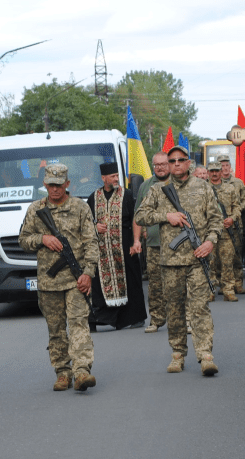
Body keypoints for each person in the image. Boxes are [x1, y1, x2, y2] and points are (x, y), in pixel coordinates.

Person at [135, 145, 222, 376]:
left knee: (199, 308)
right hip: (170, 261)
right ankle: (177, 354)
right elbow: (140, 215)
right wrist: (166, 217)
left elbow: (216, 220)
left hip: (197, 259)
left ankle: (205, 355)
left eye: (180, 160)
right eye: (171, 161)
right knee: (174, 310)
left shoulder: (203, 188)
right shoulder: (157, 190)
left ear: (188, 163)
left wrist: (210, 242)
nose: (175, 164)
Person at [18, 163, 99, 391]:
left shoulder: (81, 208)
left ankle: (82, 371)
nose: (55, 190)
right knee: (56, 331)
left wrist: (88, 274)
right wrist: (42, 239)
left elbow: (91, 243)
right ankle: (63, 372)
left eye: (59, 185)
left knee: (78, 324)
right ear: (45, 184)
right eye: (51, 185)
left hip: (76, 279)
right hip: (48, 281)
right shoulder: (36, 209)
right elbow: (23, 241)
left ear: (67, 184)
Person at [87, 162, 147, 328]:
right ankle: (103, 319)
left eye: (116, 176)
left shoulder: (126, 195)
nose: (115, 179)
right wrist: (95, 227)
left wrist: (136, 241)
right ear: (103, 178)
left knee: (132, 280)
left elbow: (136, 218)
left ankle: (134, 318)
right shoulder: (93, 197)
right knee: (99, 285)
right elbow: (84, 223)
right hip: (102, 252)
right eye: (112, 176)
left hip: (125, 246)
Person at [133, 153, 170, 333]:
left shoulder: (178, 183)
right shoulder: (145, 186)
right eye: (157, 165)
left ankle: (185, 318)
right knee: (155, 285)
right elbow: (137, 215)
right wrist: (136, 240)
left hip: (177, 244)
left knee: (179, 283)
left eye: (163, 164)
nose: (160, 168)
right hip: (154, 244)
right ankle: (156, 319)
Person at [207, 161, 240, 302]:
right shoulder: (204, 188)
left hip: (226, 232)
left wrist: (232, 218)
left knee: (227, 262)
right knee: (210, 262)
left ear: (222, 172)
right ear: (208, 173)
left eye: (217, 171)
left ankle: (228, 290)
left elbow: (237, 207)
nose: (214, 174)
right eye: (212, 171)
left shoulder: (230, 188)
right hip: (209, 233)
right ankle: (210, 290)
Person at [219, 155, 245, 294]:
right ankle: (222, 284)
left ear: (230, 167)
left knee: (236, 255)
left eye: (226, 165)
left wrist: (233, 213)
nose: (224, 168)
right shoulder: (211, 184)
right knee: (219, 257)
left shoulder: (238, 183)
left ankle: (238, 283)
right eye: (222, 166)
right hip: (219, 227)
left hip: (235, 225)